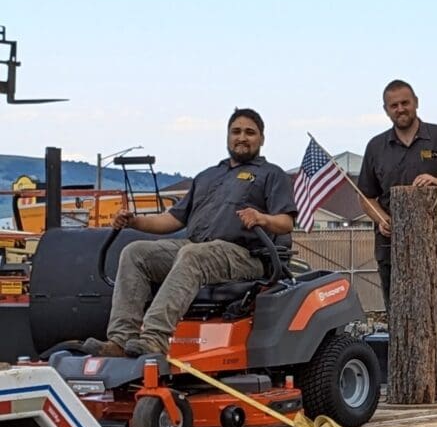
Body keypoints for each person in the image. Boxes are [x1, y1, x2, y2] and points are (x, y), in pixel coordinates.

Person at [82, 108, 298, 358]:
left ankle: (154, 339)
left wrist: (261, 218)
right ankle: (121, 340)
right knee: (135, 252)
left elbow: (286, 223)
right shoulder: (207, 176)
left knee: (192, 254)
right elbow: (172, 219)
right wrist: (134, 222)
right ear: (228, 136)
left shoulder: (272, 175)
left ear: (261, 139)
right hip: (197, 247)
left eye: (250, 132)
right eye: (236, 131)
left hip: (245, 255)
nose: (242, 137)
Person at [358, 79, 437, 399]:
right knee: (398, 313)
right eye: (393, 105)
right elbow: (365, 196)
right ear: (386, 110)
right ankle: (405, 380)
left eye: (405, 102)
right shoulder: (376, 147)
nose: (401, 109)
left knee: (434, 313)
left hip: (433, 245)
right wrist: (380, 219)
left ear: (416, 102)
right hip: (390, 246)